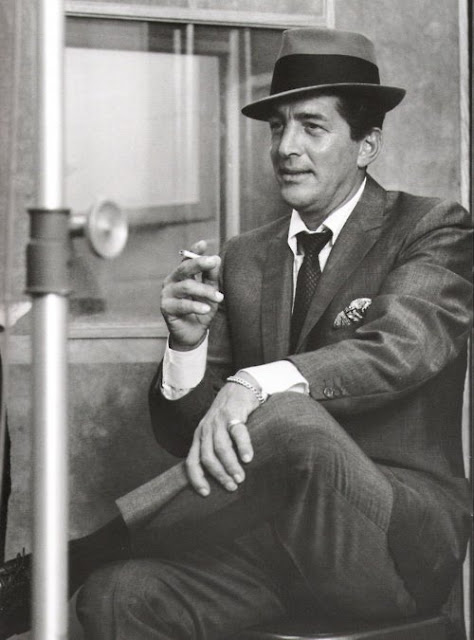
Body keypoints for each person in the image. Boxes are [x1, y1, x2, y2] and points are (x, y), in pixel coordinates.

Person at [0, 27, 471, 640]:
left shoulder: (432, 227)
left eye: (312, 126)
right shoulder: (245, 257)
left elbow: (402, 349)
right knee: (118, 596)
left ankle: (70, 561)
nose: (286, 148)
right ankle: (90, 569)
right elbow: (189, 437)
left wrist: (252, 384)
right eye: (277, 128)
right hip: (271, 550)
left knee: (289, 418)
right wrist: (186, 346)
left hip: (390, 545)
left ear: (367, 145)